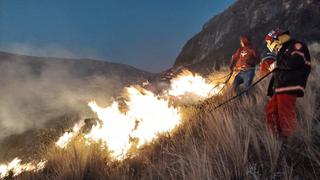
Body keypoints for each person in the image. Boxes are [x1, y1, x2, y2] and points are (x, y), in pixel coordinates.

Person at [264, 29, 311, 138]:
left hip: (289, 85)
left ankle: (290, 140)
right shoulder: (283, 50)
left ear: (275, 39)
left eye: (269, 43)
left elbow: (295, 62)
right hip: (280, 86)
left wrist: (277, 64)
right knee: (271, 113)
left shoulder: (296, 45)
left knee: (285, 114)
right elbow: (282, 67)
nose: (270, 47)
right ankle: (273, 138)